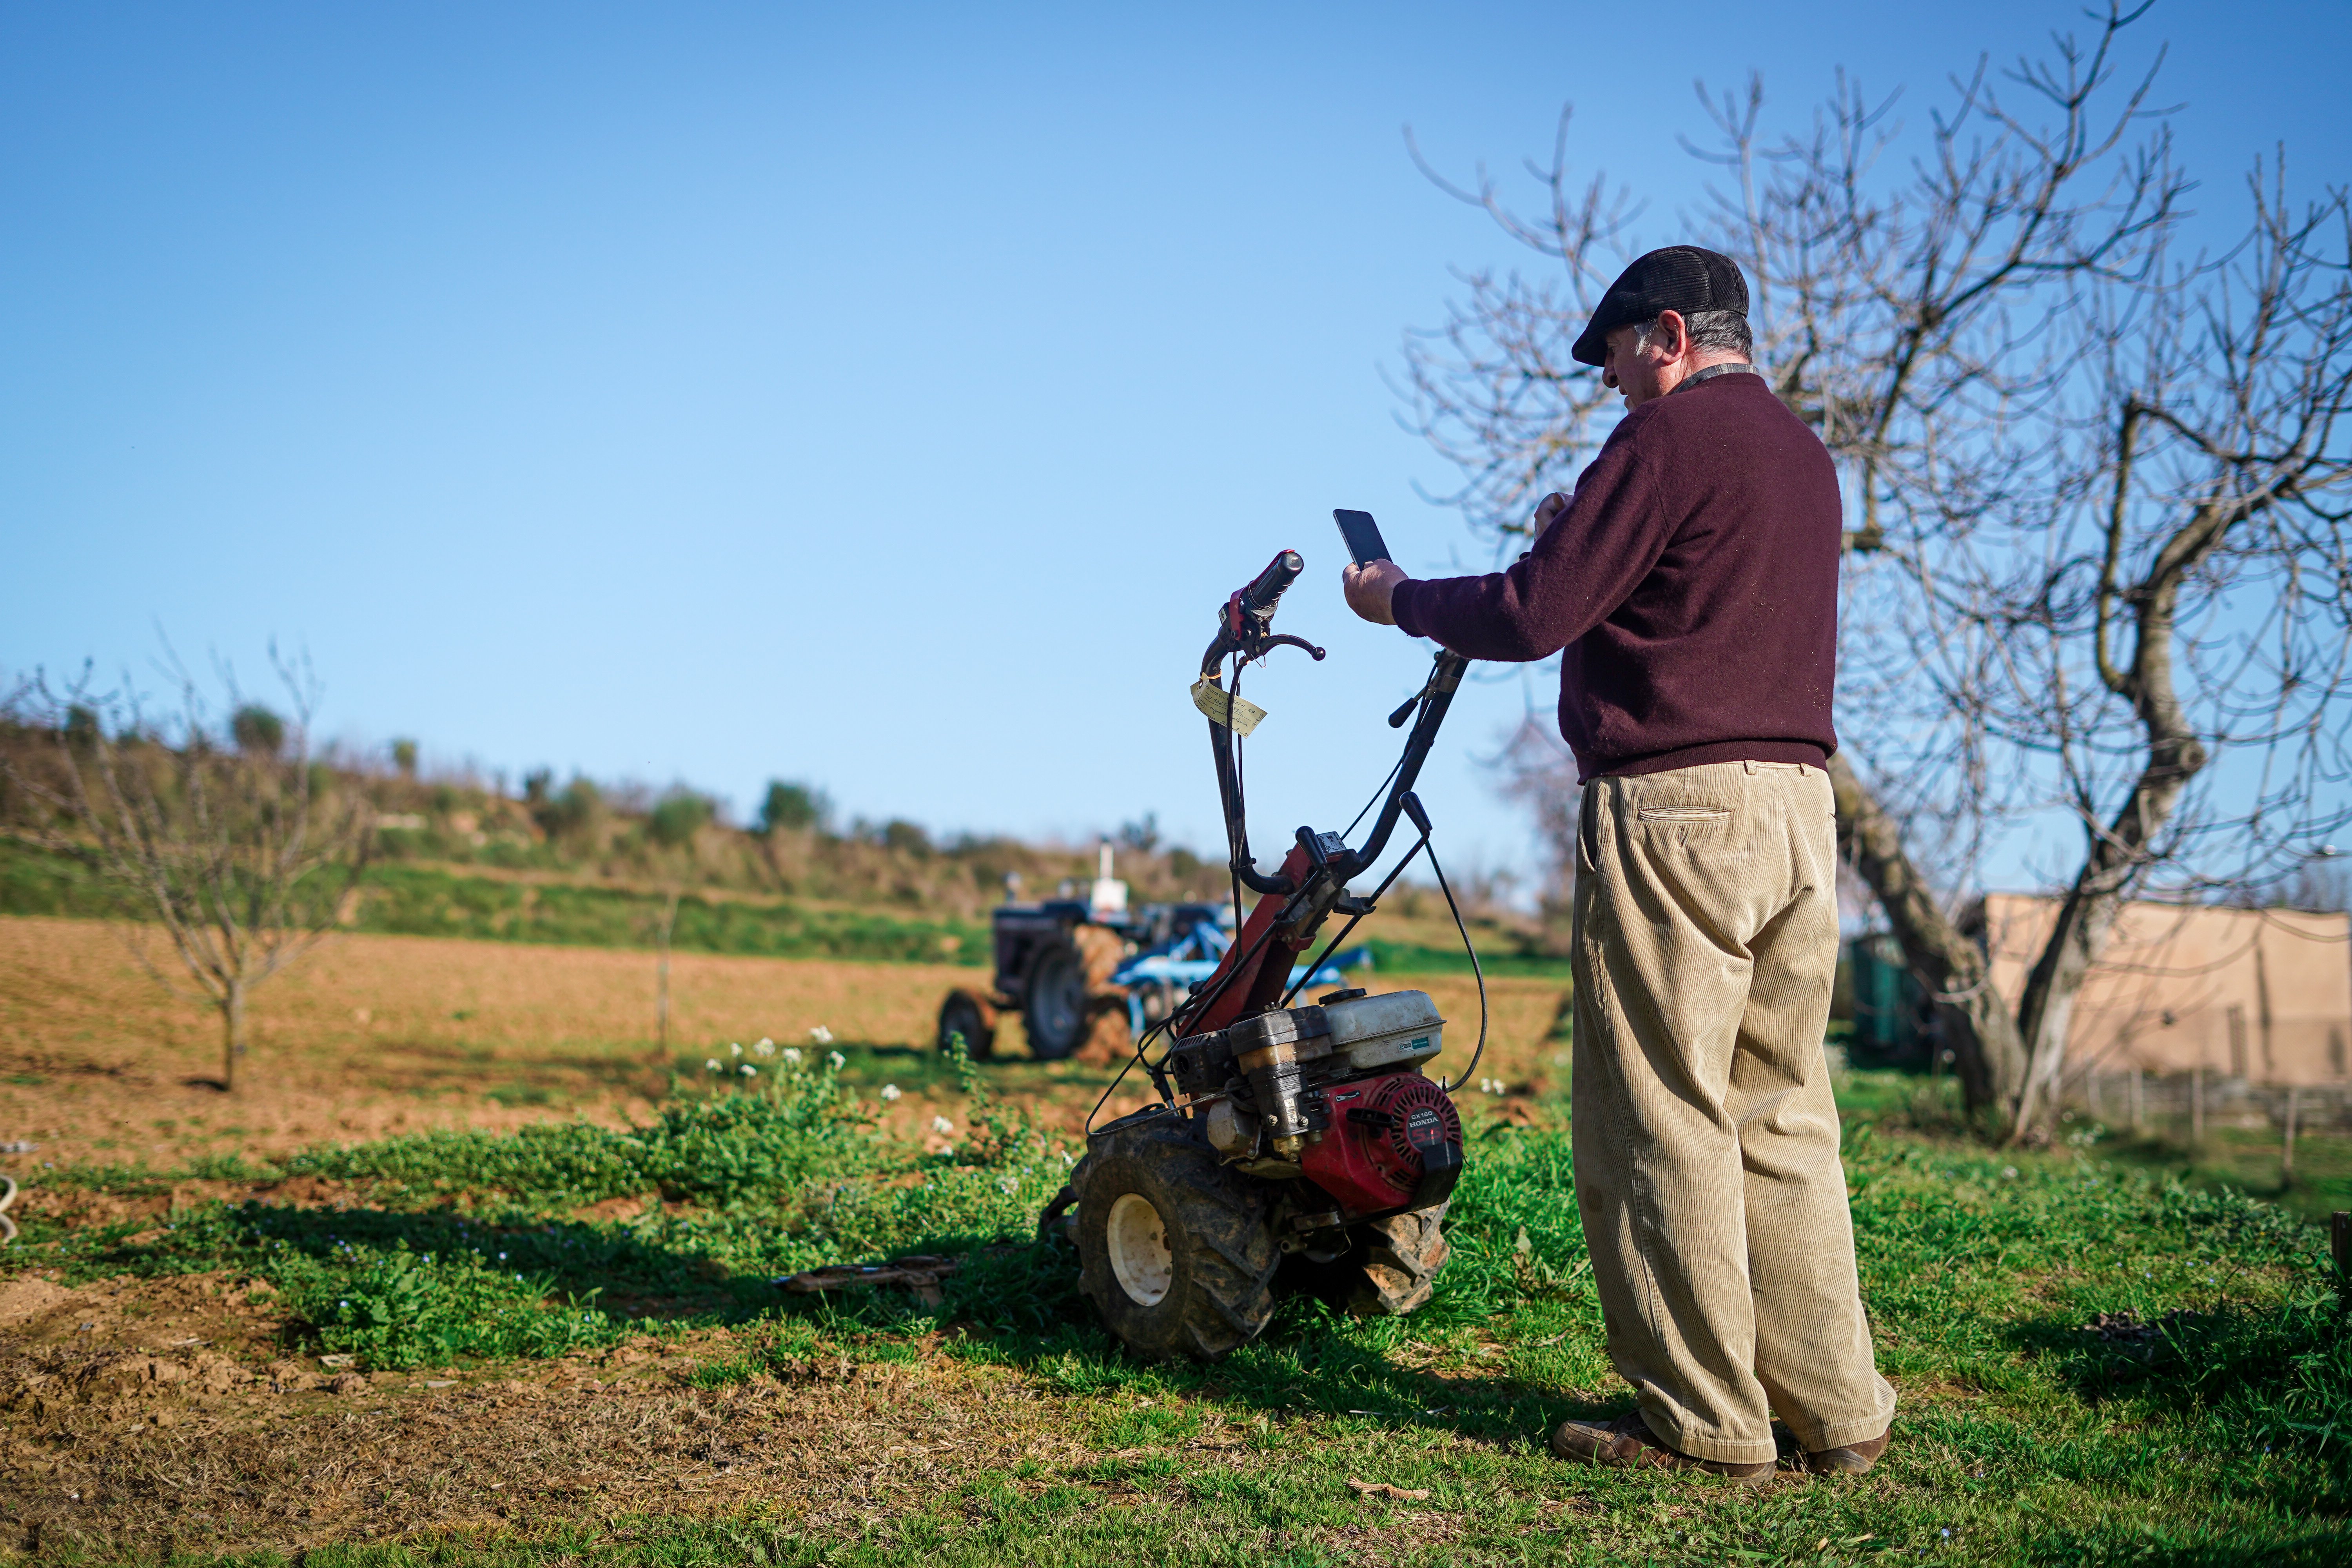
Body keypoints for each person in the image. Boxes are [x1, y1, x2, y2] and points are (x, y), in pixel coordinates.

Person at [1342, 245, 1894, 1482]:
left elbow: (1535, 615)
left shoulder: (1666, 443)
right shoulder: (1804, 460)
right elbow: (1690, 598)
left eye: (1613, 359)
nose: (1608, 385)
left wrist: (1397, 598)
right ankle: (1837, 1407)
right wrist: (1582, 536)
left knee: (1661, 1115)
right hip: (1801, 811)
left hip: (1677, 812)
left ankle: (1705, 1425)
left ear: (1667, 336)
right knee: (1783, 1109)